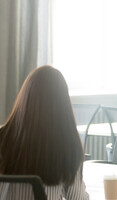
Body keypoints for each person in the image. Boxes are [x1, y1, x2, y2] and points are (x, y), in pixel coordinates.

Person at [0, 66, 89, 199]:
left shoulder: (2, 137)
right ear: (63, 106)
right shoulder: (68, 146)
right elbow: (77, 198)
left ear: (24, 98)